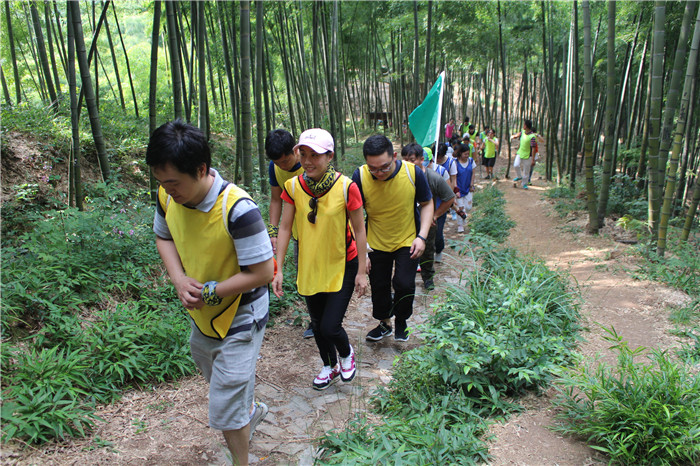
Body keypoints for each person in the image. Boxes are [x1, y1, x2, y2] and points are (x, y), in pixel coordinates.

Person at [147, 120, 273, 465]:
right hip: (203, 315)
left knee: (225, 403)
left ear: (201, 169)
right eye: (161, 182)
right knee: (223, 384)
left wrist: (212, 291)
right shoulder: (167, 196)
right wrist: (178, 278)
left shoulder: (238, 209)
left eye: (173, 182)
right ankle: (249, 409)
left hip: (242, 313)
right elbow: (164, 236)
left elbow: (263, 272)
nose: (167, 189)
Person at [272, 128, 368, 391]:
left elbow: (360, 230)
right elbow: (284, 228)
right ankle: (329, 365)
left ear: (329, 157)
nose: (308, 161)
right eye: (303, 154)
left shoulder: (347, 187)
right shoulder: (293, 187)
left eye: (315, 155)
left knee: (330, 325)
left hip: (342, 263)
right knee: (316, 324)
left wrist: (362, 270)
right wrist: (278, 268)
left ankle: (346, 353)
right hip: (310, 263)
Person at [352, 135, 433, 342]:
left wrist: (422, 236)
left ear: (395, 156)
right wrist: (364, 251)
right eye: (373, 169)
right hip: (375, 242)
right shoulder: (360, 177)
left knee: (404, 284)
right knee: (379, 286)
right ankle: (384, 323)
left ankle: (402, 321)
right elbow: (353, 216)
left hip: (407, 239)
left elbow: (427, 203)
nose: (379, 173)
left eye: (384, 167)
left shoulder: (412, 172)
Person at [265, 129, 314, 340]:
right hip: (297, 232)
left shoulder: (311, 163)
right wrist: (273, 231)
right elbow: (276, 200)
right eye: (278, 163)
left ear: (295, 151)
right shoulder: (275, 169)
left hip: (320, 228)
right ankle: (316, 320)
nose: (282, 166)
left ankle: (327, 319)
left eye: (285, 161)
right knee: (304, 276)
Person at [401, 143, 455, 290]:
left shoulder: (433, 177)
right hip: (406, 222)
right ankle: (406, 280)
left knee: (427, 250)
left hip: (427, 222)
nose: (408, 163)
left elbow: (450, 197)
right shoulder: (400, 177)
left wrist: (435, 215)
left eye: (412, 159)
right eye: (405, 159)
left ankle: (428, 277)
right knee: (406, 252)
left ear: (421, 159)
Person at [454, 143, 477, 233]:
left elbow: (473, 173)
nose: (467, 156)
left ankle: (463, 218)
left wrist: (472, 184)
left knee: (468, 207)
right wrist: (455, 189)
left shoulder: (471, 161)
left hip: (468, 188)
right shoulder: (455, 163)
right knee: (460, 207)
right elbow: (454, 176)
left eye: (468, 154)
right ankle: (460, 225)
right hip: (459, 189)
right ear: (460, 153)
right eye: (465, 154)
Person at [511, 119, 537, 189]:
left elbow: (533, 148)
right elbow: (518, 135)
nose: (523, 126)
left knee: (526, 170)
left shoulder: (532, 136)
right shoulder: (522, 132)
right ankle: (519, 176)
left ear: (526, 126)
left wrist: (533, 159)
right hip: (520, 153)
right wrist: (513, 136)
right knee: (516, 165)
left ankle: (524, 184)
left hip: (528, 155)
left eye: (524, 124)